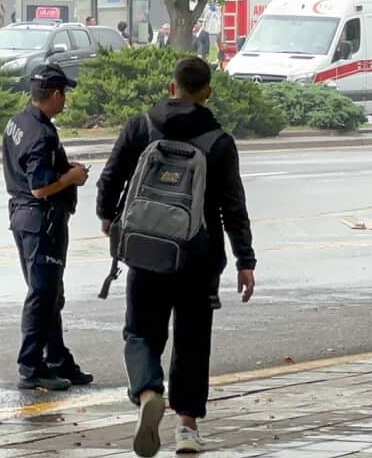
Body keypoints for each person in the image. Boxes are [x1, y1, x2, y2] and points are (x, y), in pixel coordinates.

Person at [97, 56, 256, 456]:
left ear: (172, 87)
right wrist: (245, 260)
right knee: (192, 338)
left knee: (139, 332)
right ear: (207, 92)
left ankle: (149, 390)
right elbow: (232, 206)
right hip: (198, 257)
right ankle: (187, 426)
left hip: (147, 248)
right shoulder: (218, 141)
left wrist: (108, 219)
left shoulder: (141, 125)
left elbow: (111, 176)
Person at [2, 63, 94, 391]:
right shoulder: (41, 133)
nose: (65, 100)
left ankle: (57, 358)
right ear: (54, 94)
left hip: (23, 217)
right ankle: (31, 366)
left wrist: (63, 166)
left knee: (51, 293)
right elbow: (40, 186)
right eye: (64, 93)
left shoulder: (19, 122)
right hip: (42, 221)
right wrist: (70, 178)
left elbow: (28, 168)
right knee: (42, 294)